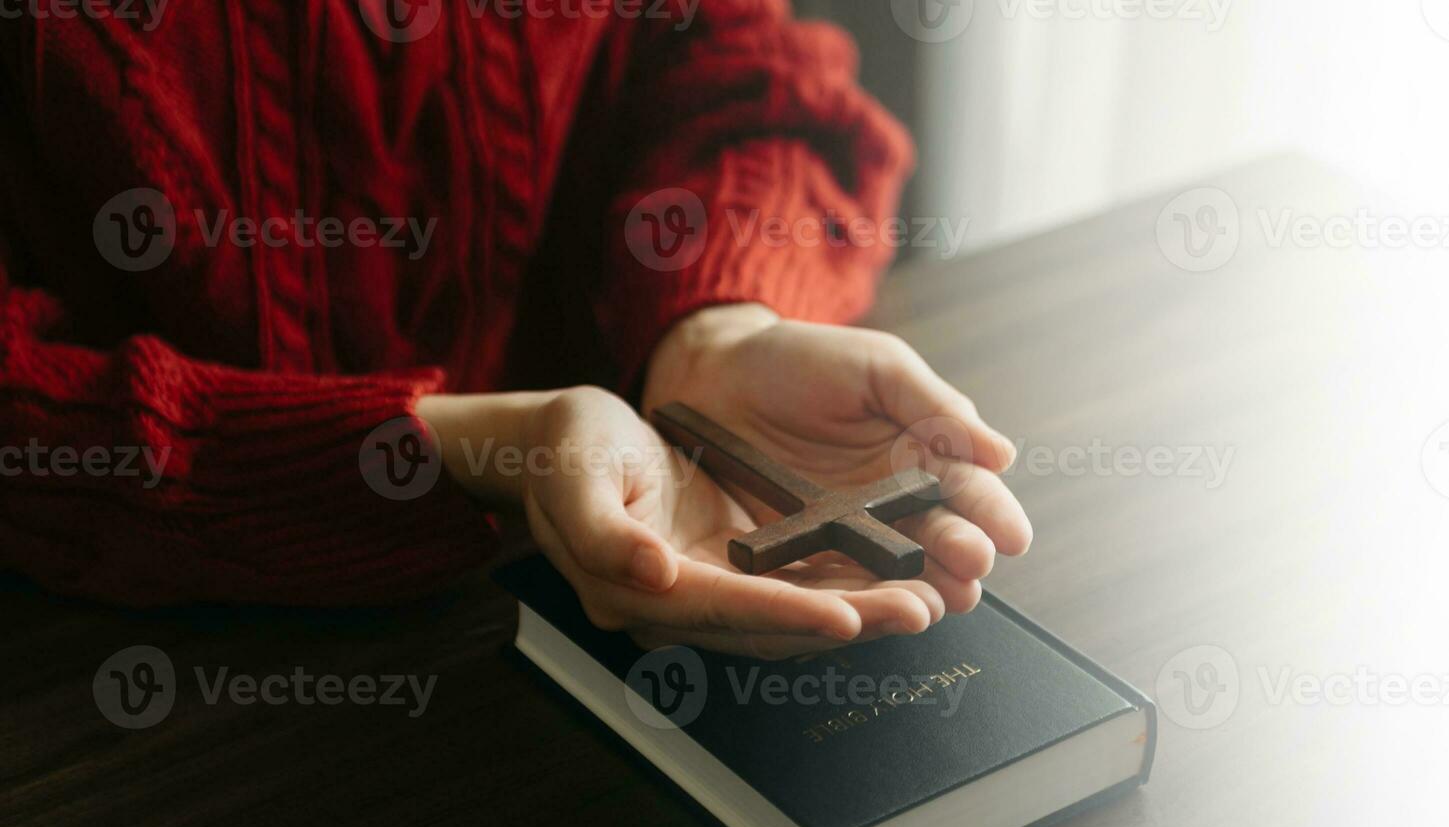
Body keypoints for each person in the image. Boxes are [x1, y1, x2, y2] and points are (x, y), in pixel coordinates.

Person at [0, 1, 1029, 658]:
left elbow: (747, 80)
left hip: (565, 603)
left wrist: (716, 324)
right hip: (131, 680)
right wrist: (473, 449)